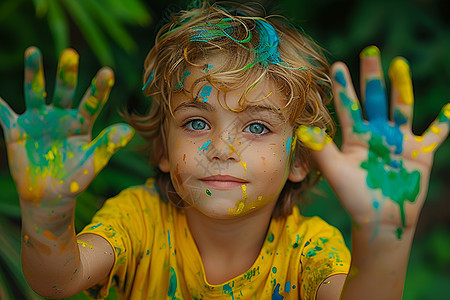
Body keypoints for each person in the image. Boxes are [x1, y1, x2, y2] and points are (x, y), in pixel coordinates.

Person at [0, 0, 448, 299]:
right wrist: (47, 215)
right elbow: (56, 280)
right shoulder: (138, 221)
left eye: (256, 126)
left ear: (298, 159)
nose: (221, 148)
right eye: (196, 122)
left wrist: (384, 236)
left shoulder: (309, 251)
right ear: (162, 148)